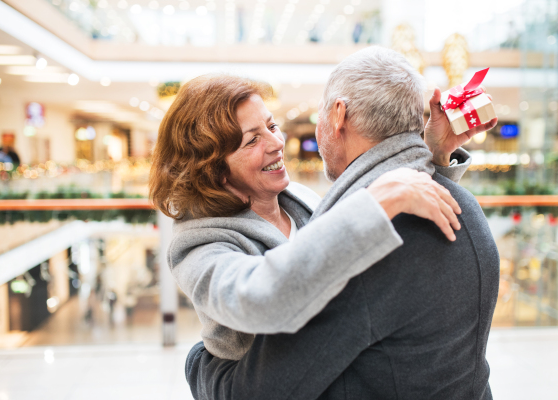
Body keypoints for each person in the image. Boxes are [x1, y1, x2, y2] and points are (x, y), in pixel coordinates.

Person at [184, 46, 500, 399]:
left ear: (338, 115)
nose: (277, 142)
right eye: (253, 138)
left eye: (272, 126)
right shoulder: (464, 205)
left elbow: (256, 392)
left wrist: (201, 364)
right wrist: (429, 160)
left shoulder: (362, 249)